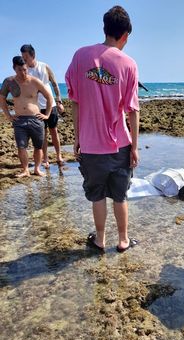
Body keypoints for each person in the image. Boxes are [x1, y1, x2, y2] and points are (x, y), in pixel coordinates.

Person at [65, 5, 139, 253]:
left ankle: (100, 240)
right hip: (120, 143)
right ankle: (123, 240)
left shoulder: (80, 56)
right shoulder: (128, 64)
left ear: (104, 28)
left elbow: (74, 100)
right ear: (125, 35)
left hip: (90, 144)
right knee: (120, 195)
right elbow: (133, 110)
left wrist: (77, 138)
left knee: (97, 194)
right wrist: (135, 148)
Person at [0, 56, 53, 177]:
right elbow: (2, 99)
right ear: (14, 69)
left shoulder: (34, 81)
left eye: (25, 69)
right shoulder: (9, 82)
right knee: (21, 146)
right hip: (19, 120)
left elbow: (49, 97)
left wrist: (47, 115)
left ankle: (37, 169)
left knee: (38, 147)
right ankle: (25, 170)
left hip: (36, 119)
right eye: (20, 70)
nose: (23, 72)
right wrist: (8, 115)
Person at [20, 44, 64, 168]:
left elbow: (55, 84)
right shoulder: (25, 71)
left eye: (26, 57)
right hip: (36, 107)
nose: (24, 60)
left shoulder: (44, 66)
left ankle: (59, 155)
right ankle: (45, 159)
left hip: (51, 105)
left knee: (54, 131)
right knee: (42, 134)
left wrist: (59, 101)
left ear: (33, 55)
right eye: (22, 57)